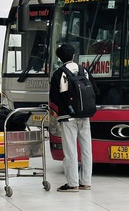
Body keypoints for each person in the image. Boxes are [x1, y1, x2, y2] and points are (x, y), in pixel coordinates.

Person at [49, 44, 93, 192]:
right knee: (87, 150)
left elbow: (54, 97)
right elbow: (94, 90)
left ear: (59, 58)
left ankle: (73, 183)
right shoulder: (84, 71)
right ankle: (86, 182)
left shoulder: (59, 73)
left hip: (68, 117)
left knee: (70, 150)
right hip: (85, 115)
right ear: (74, 55)